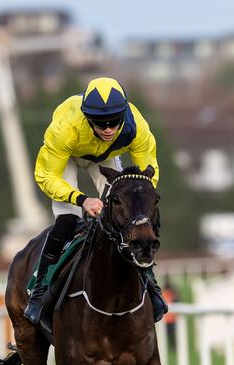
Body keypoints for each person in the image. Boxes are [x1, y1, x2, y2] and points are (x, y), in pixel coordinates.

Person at [24, 76, 168, 326]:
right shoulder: (65, 129)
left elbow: (148, 173)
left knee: (132, 218)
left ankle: (150, 283)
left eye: (114, 121)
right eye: (101, 123)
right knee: (68, 220)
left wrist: (139, 204)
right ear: (87, 118)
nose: (109, 128)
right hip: (68, 158)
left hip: (105, 157)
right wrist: (81, 199)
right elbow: (45, 175)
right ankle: (38, 294)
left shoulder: (136, 126)